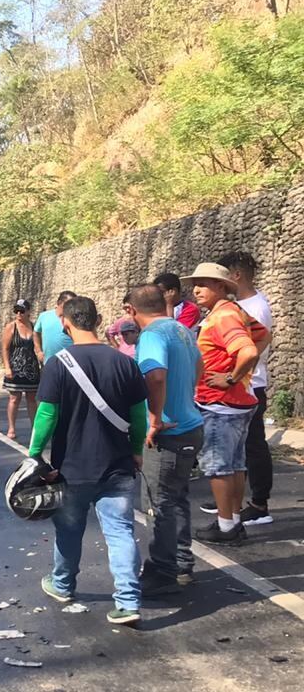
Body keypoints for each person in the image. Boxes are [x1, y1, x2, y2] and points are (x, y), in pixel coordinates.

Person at [27, 296, 147, 626]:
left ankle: (63, 585)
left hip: (73, 468)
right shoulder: (124, 362)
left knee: (68, 529)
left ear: (65, 322)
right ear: (96, 320)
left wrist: (34, 454)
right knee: (121, 532)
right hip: (117, 465)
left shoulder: (58, 363)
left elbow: (47, 415)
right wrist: (136, 449)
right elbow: (139, 417)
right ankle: (128, 601)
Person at [124, 284, 204, 595]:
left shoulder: (153, 335)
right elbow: (199, 365)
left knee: (158, 504)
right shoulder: (181, 330)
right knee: (177, 498)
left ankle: (163, 571)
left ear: (132, 311)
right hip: (190, 425)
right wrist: (185, 397)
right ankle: (182, 564)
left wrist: (154, 419)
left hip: (167, 433)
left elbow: (155, 375)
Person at [184, 263, 264, 544]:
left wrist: (231, 377)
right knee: (235, 465)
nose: (196, 289)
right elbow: (261, 335)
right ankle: (232, 520)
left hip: (220, 403)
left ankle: (226, 525)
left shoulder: (223, 317)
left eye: (203, 283)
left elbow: (249, 350)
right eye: (196, 283)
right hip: (236, 402)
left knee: (218, 467)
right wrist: (240, 376)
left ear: (221, 287)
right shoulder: (231, 312)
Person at [215, 251, 274, 526]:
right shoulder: (241, 304)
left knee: (253, 446)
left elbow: (255, 347)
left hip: (251, 385)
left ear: (236, 276)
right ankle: (232, 499)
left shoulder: (255, 307)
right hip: (242, 384)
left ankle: (259, 503)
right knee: (239, 447)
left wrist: (232, 376)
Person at [0, 299, 40, 441]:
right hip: (15, 367)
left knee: (31, 399)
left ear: (28, 312)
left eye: (22, 311)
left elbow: (37, 346)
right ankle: (11, 427)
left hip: (31, 368)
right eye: (16, 310)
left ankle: (34, 428)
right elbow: (5, 348)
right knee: (14, 398)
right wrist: (7, 367)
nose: (18, 313)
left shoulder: (33, 326)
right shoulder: (11, 327)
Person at [33, 291, 75, 363]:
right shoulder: (44, 316)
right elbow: (36, 333)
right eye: (68, 304)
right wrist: (39, 351)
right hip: (48, 363)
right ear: (59, 302)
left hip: (70, 364)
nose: (71, 307)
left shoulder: (74, 319)